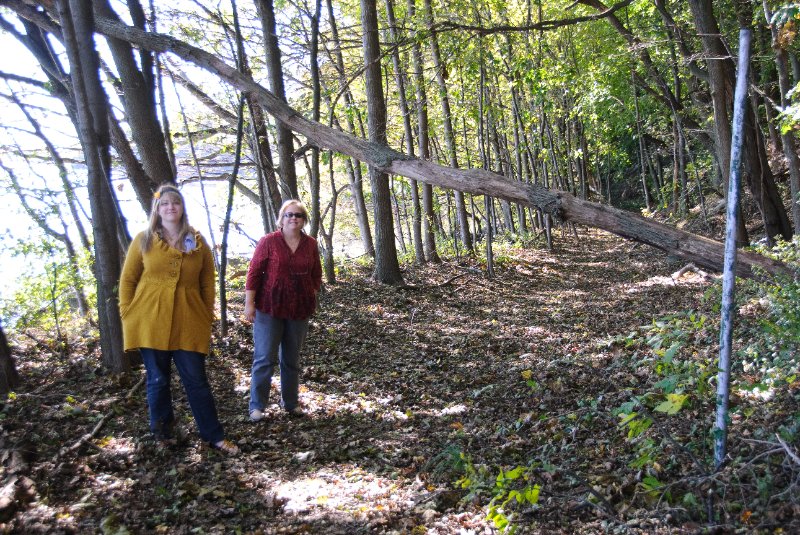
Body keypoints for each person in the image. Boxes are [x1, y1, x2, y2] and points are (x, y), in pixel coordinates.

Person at [119, 184, 239, 455]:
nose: (170, 207)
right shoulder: (144, 240)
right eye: (165, 204)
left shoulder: (197, 241)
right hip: (150, 320)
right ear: (157, 210)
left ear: (182, 207)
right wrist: (127, 312)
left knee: (196, 381)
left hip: (189, 321)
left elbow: (207, 281)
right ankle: (164, 433)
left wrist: (206, 314)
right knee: (157, 380)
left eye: (175, 202)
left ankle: (213, 435)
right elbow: (128, 280)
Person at [245, 199, 322, 421]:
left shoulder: (311, 244)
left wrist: (310, 290)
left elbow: (316, 273)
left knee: (291, 359)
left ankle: (290, 403)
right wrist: (249, 304)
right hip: (269, 307)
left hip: (299, 309)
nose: (293, 218)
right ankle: (257, 406)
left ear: (303, 219)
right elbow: (253, 273)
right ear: (281, 218)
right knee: (264, 358)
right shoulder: (268, 242)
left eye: (298, 215)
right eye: (289, 215)